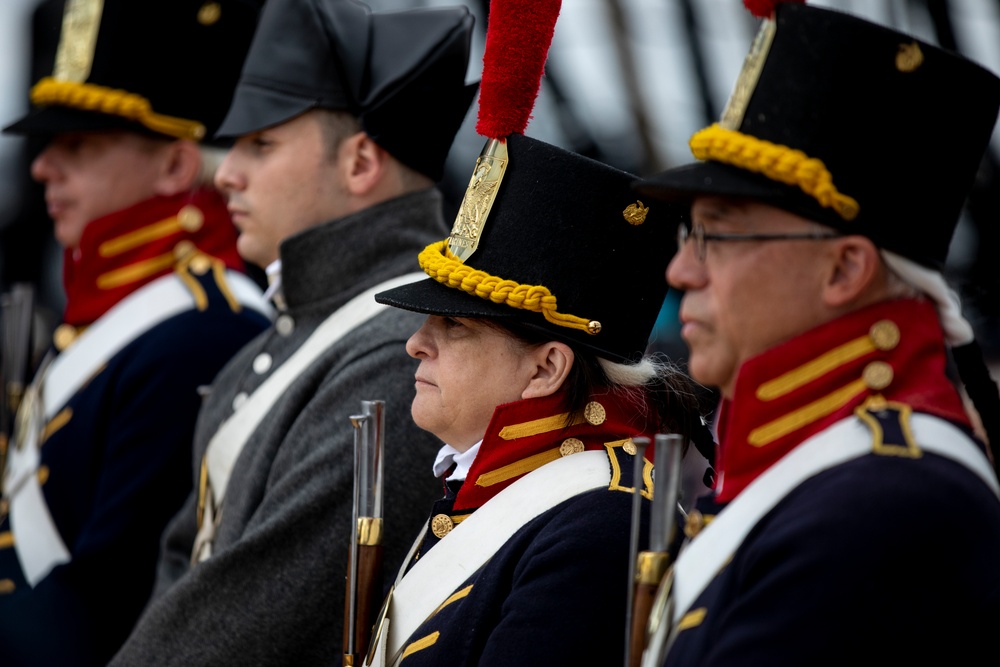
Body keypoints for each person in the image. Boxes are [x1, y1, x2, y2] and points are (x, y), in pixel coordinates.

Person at [110, 0, 479, 664]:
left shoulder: (398, 352)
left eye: (262, 143)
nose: (225, 173)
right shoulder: (285, 336)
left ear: (361, 161)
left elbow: (252, 623)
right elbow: (182, 565)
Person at [632, 1, 1000, 665]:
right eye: (691, 233)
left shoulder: (890, 499)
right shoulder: (817, 466)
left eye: (715, 233)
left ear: (844, 268)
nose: (681, 268)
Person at [362, 0, 714, 664]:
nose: (416, 343)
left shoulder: (602, 523)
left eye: (455, 326)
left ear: (547, 367)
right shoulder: (485, 490)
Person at [0, 1, 271, 665]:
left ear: (177, 167)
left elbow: (107, 602)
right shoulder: (112, 308)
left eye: (78, 145)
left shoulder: (206, 329)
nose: (42, 168)